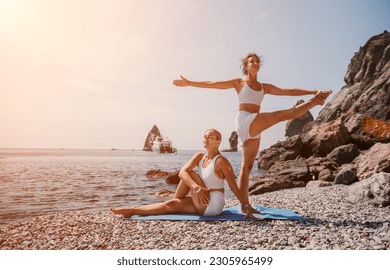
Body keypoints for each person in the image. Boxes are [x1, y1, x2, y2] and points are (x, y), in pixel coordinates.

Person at [172, 53, 332, 210]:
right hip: (245, 120)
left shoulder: (264, 87)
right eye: (251, 61)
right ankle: (316, 101)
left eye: (257, 61)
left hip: (254, 125)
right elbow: (212, 83)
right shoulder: (239, 83)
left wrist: (312, 91)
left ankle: (244, 206)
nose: (255, 63)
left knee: (246, 168)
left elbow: (288, 91)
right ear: (245, 66)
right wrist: (189, 83)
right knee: (282, 114)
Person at [111, 129, 254, 218]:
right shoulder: (199, 156)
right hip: (201, 197)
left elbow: (234, 187)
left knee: (190, 174)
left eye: (210, 137)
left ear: (218, 141)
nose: (206, 139)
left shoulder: (221, 161)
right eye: (204, 136)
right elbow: (181, 173)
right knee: (171, 204)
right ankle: (132, 210)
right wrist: (196, 188)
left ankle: (134, 209)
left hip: (213, 204)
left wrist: (246, 206)